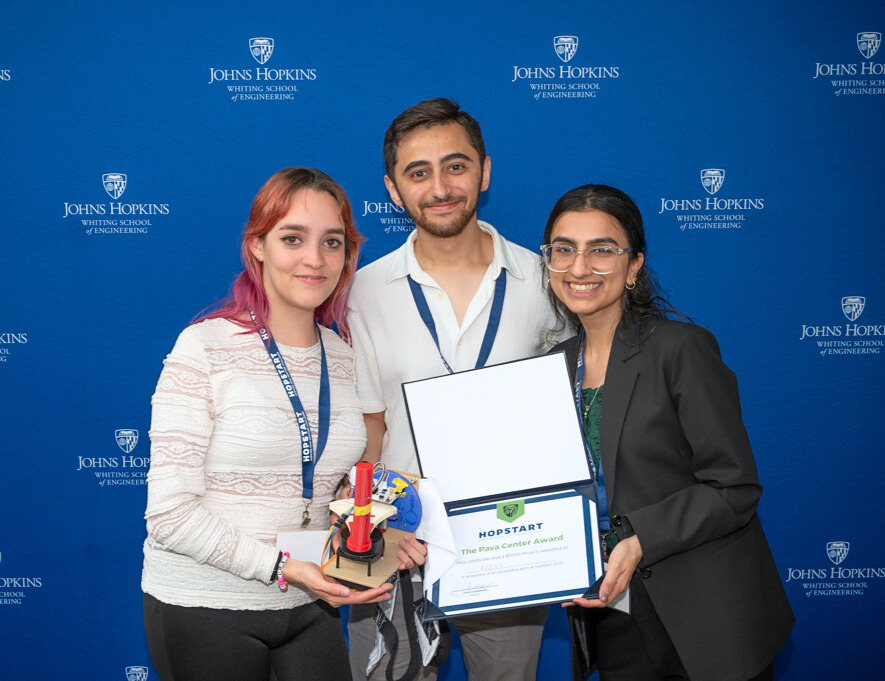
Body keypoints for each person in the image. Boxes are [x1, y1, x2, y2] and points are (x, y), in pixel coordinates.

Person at [141, 167, 425, 681]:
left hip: (308, 602)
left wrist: (382, 526)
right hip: (206, 603)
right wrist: (282, 567)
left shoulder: (344, 356)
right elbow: (169, 515)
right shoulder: (204, 348)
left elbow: (332, 481)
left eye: (331, 242)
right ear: (257, 246)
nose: (315, 259)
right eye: (293, 238)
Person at [541, 184, 794, 681]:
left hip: (704, 616)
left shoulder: (681, 349)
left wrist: (638, 538)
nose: (579, 267)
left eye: (602, 250)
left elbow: (735, 487)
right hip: (610, 613)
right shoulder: (552, 367)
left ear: (634, 265)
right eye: (564, 249)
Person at [346, 98, 560, 681]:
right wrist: (369, 525)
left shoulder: (545, 282)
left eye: (455, 166)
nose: (439, 187)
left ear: (485, 172)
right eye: (419, 172)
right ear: (393, 189)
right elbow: (370, 428)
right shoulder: (363, 292)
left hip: (512, 538)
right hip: (398, 540)